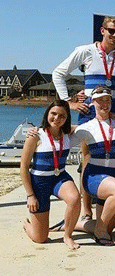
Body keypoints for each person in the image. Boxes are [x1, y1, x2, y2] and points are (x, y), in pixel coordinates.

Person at [52, 16, 115, 219]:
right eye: (111, 31)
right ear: (102, 30)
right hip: (89, 110)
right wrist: (67, 102)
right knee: (88, 158)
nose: (114, 35)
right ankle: (86, 211)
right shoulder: (85, 50)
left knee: (112, 155)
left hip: (114, 109)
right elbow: (58, 73)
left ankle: (111, 208)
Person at [73, 86, 115, 245]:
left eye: (107, 100)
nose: (104, 103)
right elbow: (59, 136)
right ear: (92, 102)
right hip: (94, 177)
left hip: (113, 178)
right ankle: (100, 231)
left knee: (110, 228)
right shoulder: (85, 128)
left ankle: (72, 224)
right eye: (100, 100)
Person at [20, 100, 81, 250]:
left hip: (59, 177)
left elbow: (91, 127)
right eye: (53, 113)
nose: (56, 118)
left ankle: (67, 235)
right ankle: (27, 223)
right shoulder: (35, 135)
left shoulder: (67, 133)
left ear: (66, 118)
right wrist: (30, 195)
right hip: (39, 181)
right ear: (47, 113)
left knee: (74, 198)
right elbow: (23, 166)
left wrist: (112, 115)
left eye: (62, 116)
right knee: (40, 238)